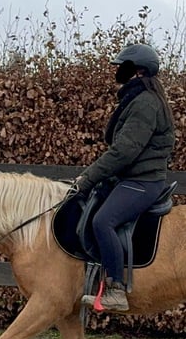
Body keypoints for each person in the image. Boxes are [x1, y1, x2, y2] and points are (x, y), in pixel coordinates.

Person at [73, 43, 176, 312]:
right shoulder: (139, 99)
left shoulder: (145, 103)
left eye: (123, 67)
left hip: (143, 182)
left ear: (137, 71)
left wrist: (88, 177)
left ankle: (116, 289)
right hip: (132, 178)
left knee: (103, 220)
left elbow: (124, 151)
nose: (118, 71)